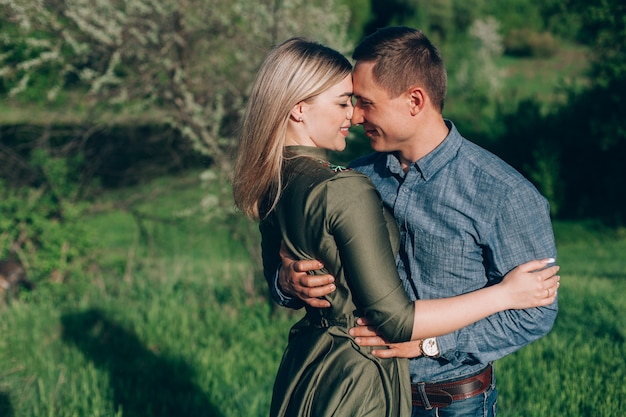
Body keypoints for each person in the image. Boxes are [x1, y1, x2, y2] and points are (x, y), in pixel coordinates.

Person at [233, 37, 559, 417]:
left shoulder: (505, 195)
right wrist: (285, 283)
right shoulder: (354, 176)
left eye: (365, 103)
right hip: (361, 390)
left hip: (450, 403)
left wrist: (429, 343)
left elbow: (535, 312)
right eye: (349, 103)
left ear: (415, 101)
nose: (355, 117)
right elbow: (294, 269)